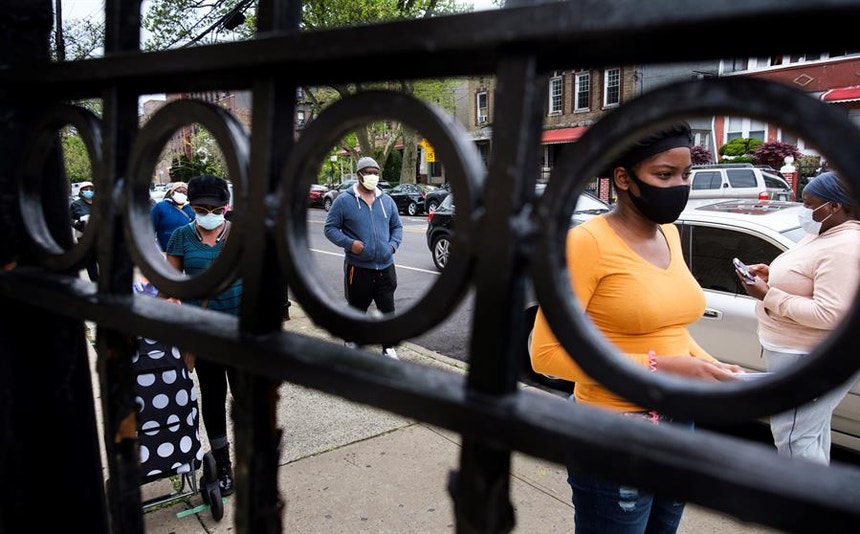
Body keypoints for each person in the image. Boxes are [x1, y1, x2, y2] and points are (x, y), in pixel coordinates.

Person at [530, 123, 743, 534]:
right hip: (615, 428)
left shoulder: (670, 234)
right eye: (665, 174)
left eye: (686, 174)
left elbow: (669, 326)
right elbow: (545, 354)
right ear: (623, 178)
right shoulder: (585, 243)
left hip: (679, 418)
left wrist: (712, 366)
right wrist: (659, 367)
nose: (680, 186)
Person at [738, 170, 860, 464]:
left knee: (794, 438)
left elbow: (829, 314)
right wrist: (772, 275)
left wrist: (768, 295)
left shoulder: (846, 246)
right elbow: (809, 277)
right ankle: (821, 491)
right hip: (801, 353)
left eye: (809, 204)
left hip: (808, 357)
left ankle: (803, 493)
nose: (804, 211)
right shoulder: (824, 232)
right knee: (811, 433)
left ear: (834, 206)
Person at [164, 174, 242, 496]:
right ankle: (223, 464)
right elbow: (168, 284)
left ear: (225, 207)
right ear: (191, 208)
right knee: (213, 397)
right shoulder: (180, 237)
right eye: (200, 209)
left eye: (215, 209)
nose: (208, 214)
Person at [323, 156, 403, 359]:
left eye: (376, 173)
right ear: (359, 175)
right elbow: (330, 228)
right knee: (357, 309)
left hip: (386, 267)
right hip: (358, 269)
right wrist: (351, 244)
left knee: (388, 310)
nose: (373, 176)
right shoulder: (344, 201)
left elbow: (397, 227)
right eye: (369, 172)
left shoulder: (387, 200)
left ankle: (388, 347)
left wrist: (392, 246)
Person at [150, 181, 195, 252]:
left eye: (184, 192)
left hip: (187, 252)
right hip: (165, 251)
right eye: (179, 191)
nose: (182, 194)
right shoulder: (161, 207)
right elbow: (150, 228)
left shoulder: (192, 208)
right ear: (172, 193)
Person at [69, 180, 99, 281]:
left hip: (99, 236)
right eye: (86, 189)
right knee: (91, 263)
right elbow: (69, 219)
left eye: (91, 189)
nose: (89, 191)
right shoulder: (75, 204)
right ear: (81, 191)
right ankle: (94, 283)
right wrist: (76, 223)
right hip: (84, 236)